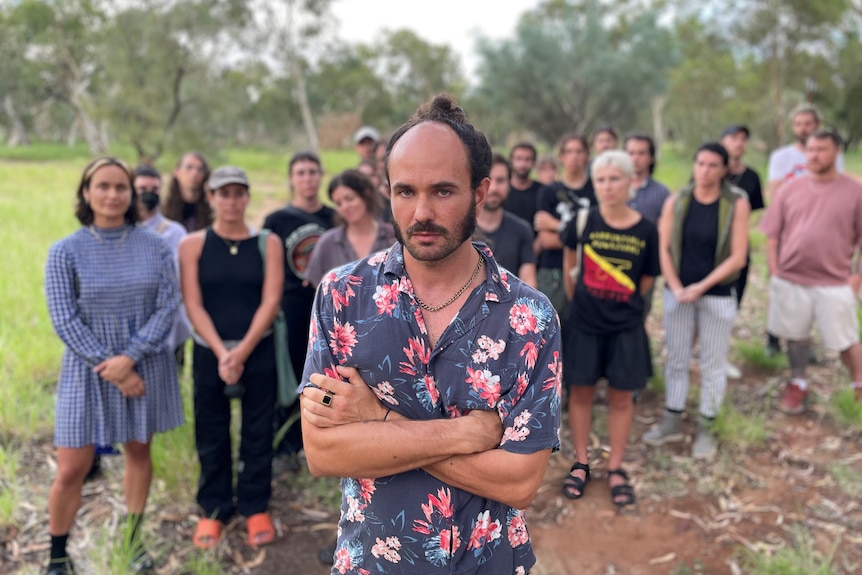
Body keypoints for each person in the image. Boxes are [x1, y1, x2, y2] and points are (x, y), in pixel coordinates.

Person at [299, 94, 562, 575]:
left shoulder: (528, 317)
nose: (421, 212)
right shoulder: (343, 294)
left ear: (479, 194)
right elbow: (323, 450)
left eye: (442, 191)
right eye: (405, 191)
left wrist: (376, 420)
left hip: (488, 562)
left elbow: (519, 481)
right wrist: (467, 433)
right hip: (371, 562)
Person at [44, 157, 184, 574]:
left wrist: (130, 359)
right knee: (72, 467)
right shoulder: (64, 251)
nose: (112, 194)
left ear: (131, 194)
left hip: (144, 366)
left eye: (120, 187)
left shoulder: (156, 246)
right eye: (102, 186)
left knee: (139, 451)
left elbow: (167, 307)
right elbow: (63, 318)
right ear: (86, 193)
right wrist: (112, 366)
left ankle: (133, 540)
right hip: (87, 371)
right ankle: (57, 555)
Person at [179, 166, 284, 550]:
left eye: (239, 193)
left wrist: (242, 349)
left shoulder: (267, 243)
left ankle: (255, 505)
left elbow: (271, 300)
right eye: (224, 194)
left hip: (258, 350)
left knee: (258, 430)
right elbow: (193, 303)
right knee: (211, 430)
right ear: (210, 198)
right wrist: (223, 352)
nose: (232, 201)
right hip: (210, 352)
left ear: (247, 198)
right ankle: (214, 508)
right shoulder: (192, 245)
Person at [560, 151, 659, 506]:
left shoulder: (646, 229)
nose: (607, 186)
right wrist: (586, 305)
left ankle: (616, 466)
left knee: (621, 397)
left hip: (626, 328)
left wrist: (619, 304)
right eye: (600, 179)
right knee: (581, 393)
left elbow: (646, 280)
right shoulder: (583, 221)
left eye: (614, 178)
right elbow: (571, 265)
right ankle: (582, 461)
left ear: (631, 181)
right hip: (584, 325)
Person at [644, 142, 750, 459]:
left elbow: (738, 257)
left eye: (712, 165)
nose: (704, 171)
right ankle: (672, 419)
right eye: (700, 163)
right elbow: (663, 249)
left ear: (724, 169)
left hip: (716, 294)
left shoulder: (735, 203)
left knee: (712, 363)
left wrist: (700, 287)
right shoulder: (678, 200)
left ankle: (707, 425)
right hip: (678, 293)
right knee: (676, 359)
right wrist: (677, 287)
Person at [760, 131, 862, 412]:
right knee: (795, 337)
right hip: (792, 278)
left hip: (834, 280)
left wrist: (857, 276)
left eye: (822, 149)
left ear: (837, 152)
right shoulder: (790, 190)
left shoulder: (855, 192)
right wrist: (775, 270)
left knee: (846, 339)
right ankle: (798, 384)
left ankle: (858, 384)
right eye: (811, 149)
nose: (814, 155)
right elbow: (771, 234)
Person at [263, 152, 335, 463]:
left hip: (329, 309)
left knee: (325, 375)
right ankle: (288, 441)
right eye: (301, 173)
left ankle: (323, 438)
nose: (307, 178)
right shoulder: (277, 221)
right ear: (292, 179)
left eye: (312, 172)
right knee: (291, 373)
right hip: (291, 308)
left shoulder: (334, 218)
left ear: (321, 176)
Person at [719, 125, 765, 378]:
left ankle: (720, 354)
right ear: (722, 141)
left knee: (730, 305)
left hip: (738, 250)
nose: (738, 143)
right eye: (733, 138)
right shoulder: (710, 171)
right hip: (708, 250)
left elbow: (753, 216)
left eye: (743, 140)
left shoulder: (752, 177)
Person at [533, 133, 596, 315]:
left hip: (589, 270)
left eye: (579, 151)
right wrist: (582, 236)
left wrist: (555, 224)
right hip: (553, 272)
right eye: (569, 151)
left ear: (587, 155)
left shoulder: (596, 190)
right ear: (561, 157)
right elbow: (546, 241)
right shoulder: (548, 192)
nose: (574, 156)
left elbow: (596, 238)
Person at [135, 164, 191, 357]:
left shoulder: (174, 232)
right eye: (142, 189)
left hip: (169, 324)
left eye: (154, 189)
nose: (148, 194)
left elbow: (179, 279)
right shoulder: (122, 231)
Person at [305, 169, 396, 287]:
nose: (345, 207)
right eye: (338, 203)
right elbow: (318, 290)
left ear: (366, 194)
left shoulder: (393, 237)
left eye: (349, 199)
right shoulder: (328, 243)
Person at [476, 153, 537, 287]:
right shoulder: (461, 229)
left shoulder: (522, 230)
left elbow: (529, 282)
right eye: (488, 181)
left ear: (510, 184)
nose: (494, 188)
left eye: (501, 180)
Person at [162, 152, 212, 233]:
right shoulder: (163, 210)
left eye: (200, 169)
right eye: (189, 168)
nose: (195, 173)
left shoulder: (211, 212)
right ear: (176, 172)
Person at [503, 141, 543, 226]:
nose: (523, 164)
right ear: (511, 161)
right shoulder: (502, 190)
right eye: (519, 159)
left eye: (528, 159)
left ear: (534, 162)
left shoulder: (542, 191)